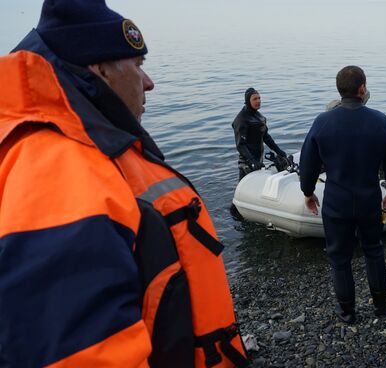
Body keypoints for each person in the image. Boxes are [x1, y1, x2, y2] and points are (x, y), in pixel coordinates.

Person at [0, 1, 247, 367]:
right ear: (100, 70)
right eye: (138, 66)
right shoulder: (59, 167)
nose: (149, 82)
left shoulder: (85, 147)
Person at [299, 66, 386, 324]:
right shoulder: (381, 121)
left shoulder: (323, 122)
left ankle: (347, 312)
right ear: (362, 88)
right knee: (374, 251)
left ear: (339, 90)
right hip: (368, 200)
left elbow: (308, 163)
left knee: (340, 258)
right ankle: (381, 307)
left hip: (336, 203)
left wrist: (308, 192)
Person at [232, 87, 287, 180]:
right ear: (247, 101)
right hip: (247, 162)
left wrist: (278, 151)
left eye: (259, 98)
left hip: (258, 159)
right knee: (244, 188)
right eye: (254, 99)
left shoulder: (260, 117)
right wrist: (252, 161)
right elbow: (240, 145)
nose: (258, 101)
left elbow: (266, 137)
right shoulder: (241, 119)